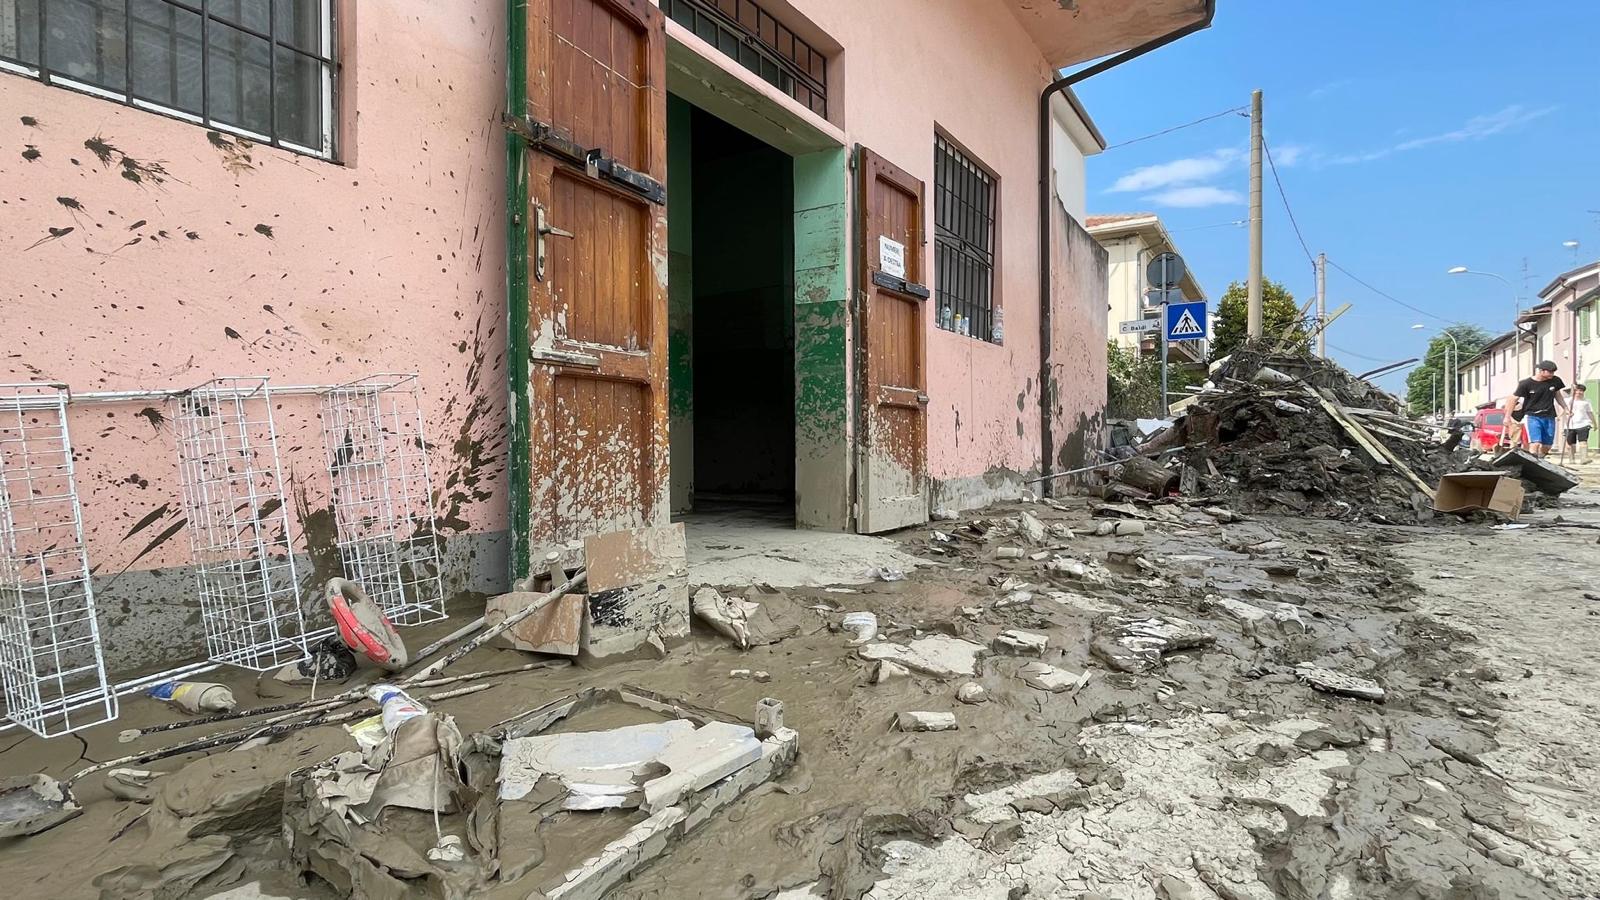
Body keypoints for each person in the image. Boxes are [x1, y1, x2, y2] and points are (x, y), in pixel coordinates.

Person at [1504, 360, 1568, 458]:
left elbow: (1558, 395)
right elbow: (1513, 399)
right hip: (1532, 416)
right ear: (1541, 371)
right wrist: (1507, 417)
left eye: (1553, 372)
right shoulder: (1526, 384)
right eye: (1550, 372)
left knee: (1547, 445)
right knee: (1536, 443)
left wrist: (1565, 408)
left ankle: (1541, 459)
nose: (1552, 374)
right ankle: (1532, 462)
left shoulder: (1556, 381)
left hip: (1549, 415)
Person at [1564, 383, 1594, 464]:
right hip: (1570, 425)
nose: (1579, 392)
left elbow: (1590, 413)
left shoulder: (1586, 401)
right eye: (1577, 390)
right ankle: (1571, 459)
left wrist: (1594, 423)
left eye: (1581, 391)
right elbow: (1564, 409)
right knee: (1570, 444)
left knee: (1583, 442)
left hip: (1583, 424)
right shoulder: (1568, 400)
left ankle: (1584, 458)